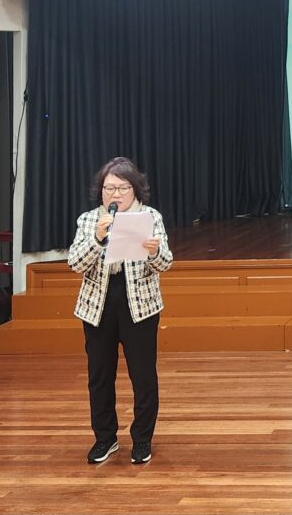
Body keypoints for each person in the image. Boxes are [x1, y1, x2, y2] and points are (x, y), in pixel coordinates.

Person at [68, 157, 173, 465]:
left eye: (122, 188)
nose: (115, 194)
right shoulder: (90, 220)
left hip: (139, 306)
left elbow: (166, 263)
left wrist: (154, 252)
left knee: (143, 375)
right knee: (99, 375)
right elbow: (75, 263)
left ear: (135, 189)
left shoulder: (150, 217)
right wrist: (97, 239)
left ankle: (142, 439)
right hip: (98, 307)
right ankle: (105, 438)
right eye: (109, 188)